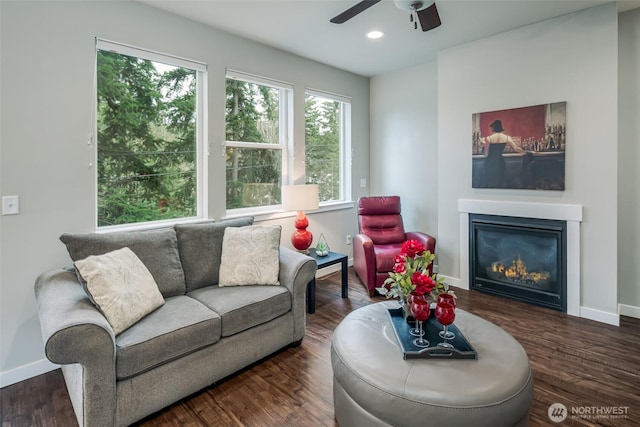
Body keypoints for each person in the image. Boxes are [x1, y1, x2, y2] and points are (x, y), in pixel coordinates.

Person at [481, 120, 525, 188]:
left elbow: (485, 154)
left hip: (490, 162)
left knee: (490, 182)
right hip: (500, 161)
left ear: (493, 128)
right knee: (500, 181)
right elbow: (516, 148)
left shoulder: (489, 138)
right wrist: (524, 152)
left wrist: (484, 143)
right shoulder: (507, 137)